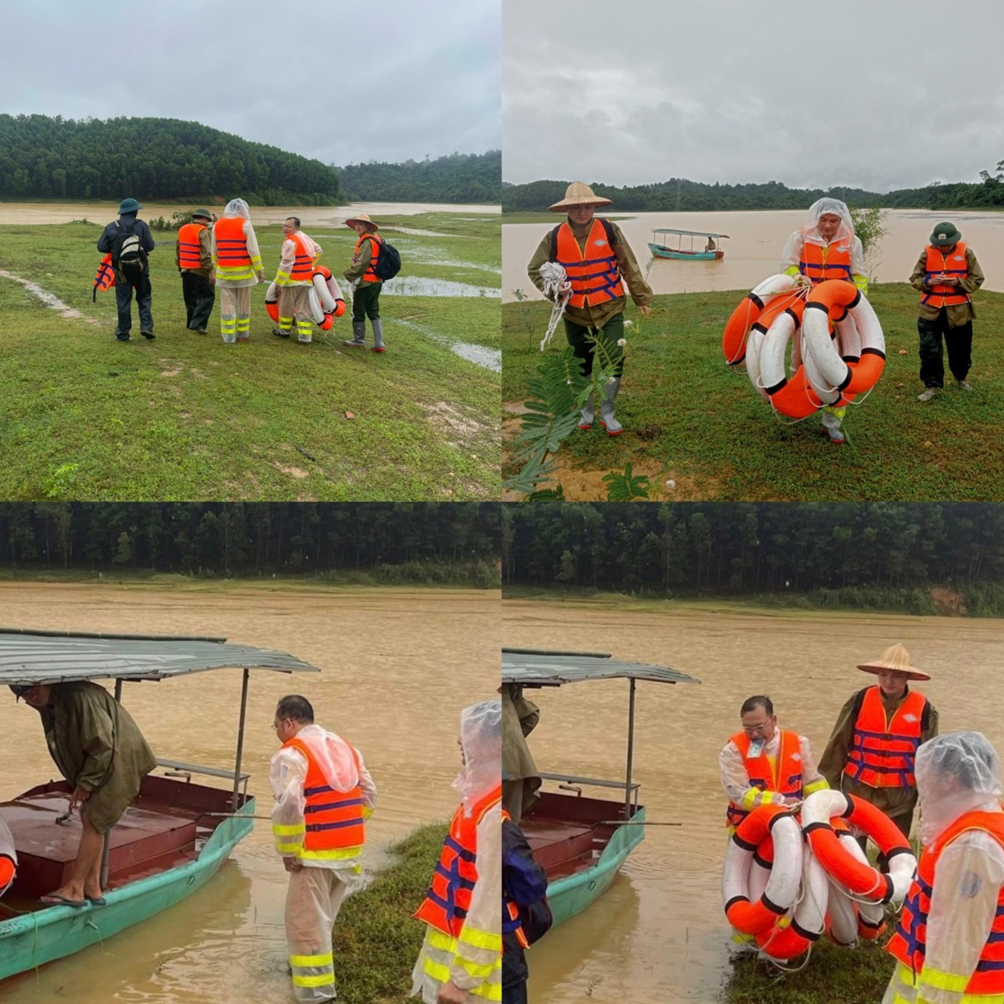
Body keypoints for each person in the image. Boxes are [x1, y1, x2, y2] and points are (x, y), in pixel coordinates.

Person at [270, 694, 376, 1004]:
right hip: (347, 852)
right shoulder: (346, 747)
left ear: (288, 722)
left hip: (313, 856)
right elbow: (370, 795)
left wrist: (289, 850)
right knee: (323, 921)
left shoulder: (292, 753)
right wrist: (344, 829)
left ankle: (316, 995)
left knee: (304, 928)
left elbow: (289, 806)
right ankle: (302, 978)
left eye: (275, 726)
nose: (276, 732)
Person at [883, 732, 1004, 1004]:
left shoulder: (972, 846)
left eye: (928, 775)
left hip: (960, 993)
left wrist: (933, 999)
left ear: (949, 779)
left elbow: (957, 941)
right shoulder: (983, 819)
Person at [11, 680, 156, 906]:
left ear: (45, 683)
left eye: (34, 690)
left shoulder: (77, 698)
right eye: (26, 695)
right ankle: (92, 886)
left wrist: (87, 783)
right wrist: (80, 782)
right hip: (101, 759)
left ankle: (75, 888)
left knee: (94, 820)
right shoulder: (50, 704)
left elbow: (102, 745)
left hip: (117, 757)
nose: (33, 697)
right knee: (92, 818)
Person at [527, 182, 654, 436]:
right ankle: (585, 412)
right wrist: (555, 290)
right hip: (575, 313)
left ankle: (608, 413)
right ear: (567, 209)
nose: (582, 212)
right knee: (580, 363)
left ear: (594, 206)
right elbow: (535, 270)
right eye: (576, 207)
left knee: (613, 359)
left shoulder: (609, 230)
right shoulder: (554, 236)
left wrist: (641, 297)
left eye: (587, 206)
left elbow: (628, 264)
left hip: (610, 308)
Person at [412, 699, 501, 1004]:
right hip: (452, 955)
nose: (460, 740)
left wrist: (462, 981)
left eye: (470, 732)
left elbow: (491, 903)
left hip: (476, 982)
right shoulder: (477, 800)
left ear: (495, 744)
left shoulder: (494, 814)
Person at [818, 643, 938, 864]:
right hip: (858, 791)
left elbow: (929, 760)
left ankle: (892, 886)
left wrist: (929, 802)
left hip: (900, 799)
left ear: (907, 677)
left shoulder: (924, 709)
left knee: (895, 857)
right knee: (851, 854)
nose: (888, 681)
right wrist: (828, 791)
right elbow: (837, 746)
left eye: (896, 675)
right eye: (883, 674)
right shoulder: (859, 700)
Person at [780, 197, 867, 445]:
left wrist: (858, 308)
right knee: (800, 360)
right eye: (824, 220)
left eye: (834, 221)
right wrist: (798, 277)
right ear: (816, 219)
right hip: (807, 307)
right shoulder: (800, 238)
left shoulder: (852, 242)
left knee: (838, 364)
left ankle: (832, 423)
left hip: (838, 313)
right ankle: (798, 404)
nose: (828, 225)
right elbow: (787, 267)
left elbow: (859, 276)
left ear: (841, 221)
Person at [720, 694, 828, 830]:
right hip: (749, 826)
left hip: (792, 823)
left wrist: (826, 804)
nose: (754, 734)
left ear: (773, 720)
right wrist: (780, 801)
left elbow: (813, 782)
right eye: (748, 728)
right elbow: (739, 793)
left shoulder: (799, 743)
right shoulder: (732, 751)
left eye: (759, 727)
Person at [909, 221, 985, 402]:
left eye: (947, 244)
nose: (944, 247)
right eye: (940, 244)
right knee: (929, 350)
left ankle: (961, 378)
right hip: (930, 312)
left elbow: (977, 278)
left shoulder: (966, 253)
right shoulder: (926, 254)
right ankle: (931, 386)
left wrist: (958, 282)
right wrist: (929, 281)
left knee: (960, 349)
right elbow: (915, 279)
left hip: (959, 312)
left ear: (954, 241)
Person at [501, 810, 550, 1004]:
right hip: (499, 946)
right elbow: (529, 886)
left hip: (457, 941)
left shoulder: (464, 818)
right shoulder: (502, 827)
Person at [97, 197, 156, 342]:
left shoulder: (111, 227)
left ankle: (123, 333)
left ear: (121, 212)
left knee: (123, 301)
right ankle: (146, 327)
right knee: (144, 298)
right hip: (141, 269)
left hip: (121, 271)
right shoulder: (142, 225)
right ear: (135, 212)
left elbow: (101, 247)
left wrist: (116, 249)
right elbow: (150, 246)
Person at [211, 198, 265, 344]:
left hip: (224, 274)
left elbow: (214, 251)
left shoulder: (217, 225)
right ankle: (243, 334)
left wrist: (212, 270)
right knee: (243, 304)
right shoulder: (245, 224)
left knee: (227, 305)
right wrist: (260, 270)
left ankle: (228, 337)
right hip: (243, 274)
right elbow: (253, 250)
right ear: (242, 210)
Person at [271, 217, 322, 345]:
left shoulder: (290, 242)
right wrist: (309, 264)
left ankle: (284, 331)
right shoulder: (305, 238)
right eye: (284, 226)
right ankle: (305, 336)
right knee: (304, 308)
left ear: (296, 228)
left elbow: (286, 265)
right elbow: (319, 250)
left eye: (288, 226)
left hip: (292, 282)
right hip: (306, 281)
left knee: (285, 307)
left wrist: (279, 282)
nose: (285, 229)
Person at [342, 213, 386, 353]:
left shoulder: (367, 242)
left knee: (358, 310)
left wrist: (349, 274)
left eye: (360, 224)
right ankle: (379, 343)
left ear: (368, 226)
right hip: (377, 281)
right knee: (373, 311)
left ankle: (358, 340)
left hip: (366, 282)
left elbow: (361, 264)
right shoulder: (377, 238)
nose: (357, 226)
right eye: (356, 224)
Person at [502, 682, 542, 825]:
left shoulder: (484, 708)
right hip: (518, 762)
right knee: (511, 816)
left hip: (494, 763)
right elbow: (532, 715)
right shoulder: (507, 700)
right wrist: (513, 741)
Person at [176, 208, 215, 335]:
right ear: (203, 219)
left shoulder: (183, 229)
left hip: (185, 268)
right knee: (207, 296)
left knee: (190, 297)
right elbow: (206, 254)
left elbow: (178, 250)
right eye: (207, 220)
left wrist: (180, 267)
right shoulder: (203, 231)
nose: (207, 223)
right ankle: (198, 324)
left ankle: (190, 322)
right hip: (199, 270)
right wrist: (210, 272)